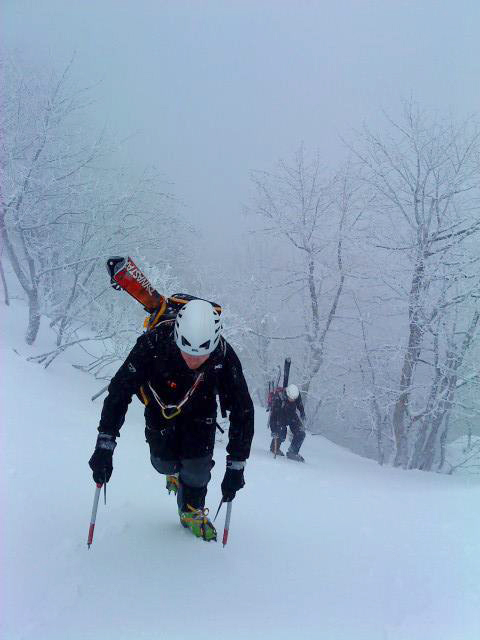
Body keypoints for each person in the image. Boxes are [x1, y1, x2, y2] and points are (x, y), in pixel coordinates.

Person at [88, 299, 254, 542]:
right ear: (177, 334)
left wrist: (237, 465)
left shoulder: (223, 357)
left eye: (201, 354)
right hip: (160, 411)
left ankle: (191, 510)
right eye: (187, 350)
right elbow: (119, 392)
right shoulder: (153, 344)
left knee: (197, 471)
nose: (193, 360)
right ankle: (174, 473)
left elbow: (243, 410)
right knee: (163, 463)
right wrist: (105, 444)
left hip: (201, 414)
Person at [269, 383, 306, 462]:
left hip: (292, 415)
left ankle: (293, 452)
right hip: (280, 416)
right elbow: (273, 416)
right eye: (291, 398)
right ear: (287, 394)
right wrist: (273, 430)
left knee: (301, 432)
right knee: (281, 433)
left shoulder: (296, 395)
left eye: (294, 399)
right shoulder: (278, 398)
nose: (292, 400)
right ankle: (274, 448)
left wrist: (302, 412)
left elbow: (299, 404)